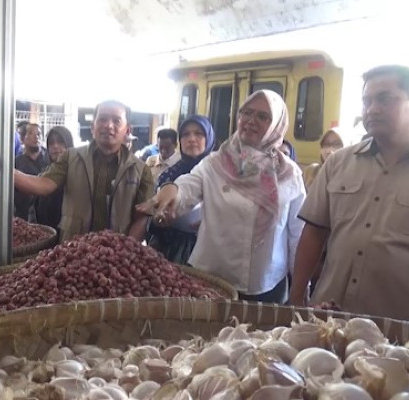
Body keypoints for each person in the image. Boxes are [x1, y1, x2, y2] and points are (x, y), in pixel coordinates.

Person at [138, 90, 306, 303]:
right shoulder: (215, 163)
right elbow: (190, 185)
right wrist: (172, 190)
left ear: (277, 125)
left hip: (266, 284)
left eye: (263, 116)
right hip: (212, 281)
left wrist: (300, 289)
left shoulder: (289, 174)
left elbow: (298, 236)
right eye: (246, 113)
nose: (251, 120)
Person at [290, 65, 409, 320]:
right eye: (367, 101)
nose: (372, 109)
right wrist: (297, 296)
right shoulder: (338, 163)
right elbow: (314, 233)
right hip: (328, 318)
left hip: (395, 326)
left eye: (385, 99)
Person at [14, 100, 154, 242]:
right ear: (93, 127)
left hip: (117, 251)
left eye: (116, 121)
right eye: (103, 119)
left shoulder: (141, 170)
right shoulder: (70, 157)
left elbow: (141, 217)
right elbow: (44, 184)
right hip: (74, 248)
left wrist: (126, 248)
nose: (108, 125)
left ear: (127, 130)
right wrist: (8, 173)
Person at [147, 116, 214, 264]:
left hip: (211, 254)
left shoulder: (221, 175)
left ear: (209, 138)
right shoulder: (168, 176)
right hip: (171, 252)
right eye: (185, 134)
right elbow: (152, 220)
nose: (191, 139)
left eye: (199, 133)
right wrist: (160, 220)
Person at [34, 126, 74, 231]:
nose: (55, 146)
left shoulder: (77, 174)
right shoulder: (45, 172)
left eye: (61, 142)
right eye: (51, 143)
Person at [14, 123, 49, 220]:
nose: (36, 137)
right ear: (22, 139)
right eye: (30, 133)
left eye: (39, 134)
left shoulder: (50, 160)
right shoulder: (16, 163)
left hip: (48, 217)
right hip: (23, 218)